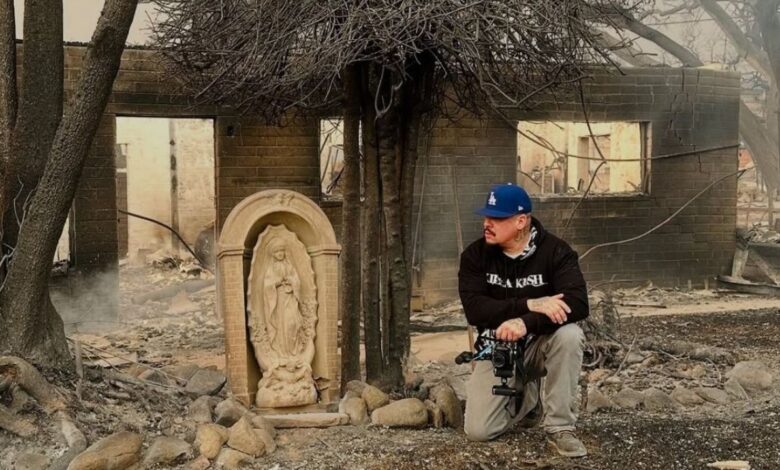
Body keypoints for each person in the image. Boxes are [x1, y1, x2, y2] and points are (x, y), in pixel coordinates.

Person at [458, 182, 589, 458]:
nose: (487, 223)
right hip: (496, 349)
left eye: (496, 218)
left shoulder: (556, 251)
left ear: (520, 221)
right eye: (486, 216)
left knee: (570, 335)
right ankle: (527, 400)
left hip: (538, 346)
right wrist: (531, 304)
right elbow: (476, 310)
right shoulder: (474, 256)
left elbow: (577, 302)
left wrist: (526, 323)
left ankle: (560, 428)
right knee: (479, 432)